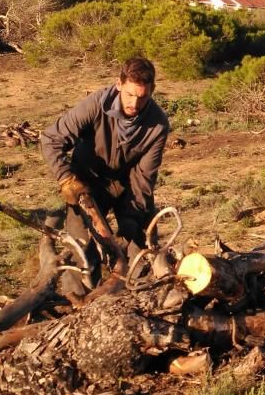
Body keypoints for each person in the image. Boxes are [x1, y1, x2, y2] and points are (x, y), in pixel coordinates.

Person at [40, 57, 169, 286]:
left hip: (129, 185)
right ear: (118, 85)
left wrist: (132, 219)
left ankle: (140, 292)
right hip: (87, 183)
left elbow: (144, 179)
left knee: (142, 244)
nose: (135, 104)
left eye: (142, 97)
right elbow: (51, 139)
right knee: (79, 247)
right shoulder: (96, 104)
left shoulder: (158, 124)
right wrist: (66, 178)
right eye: (129, 94)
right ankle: (77, 301)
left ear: (152, 91)